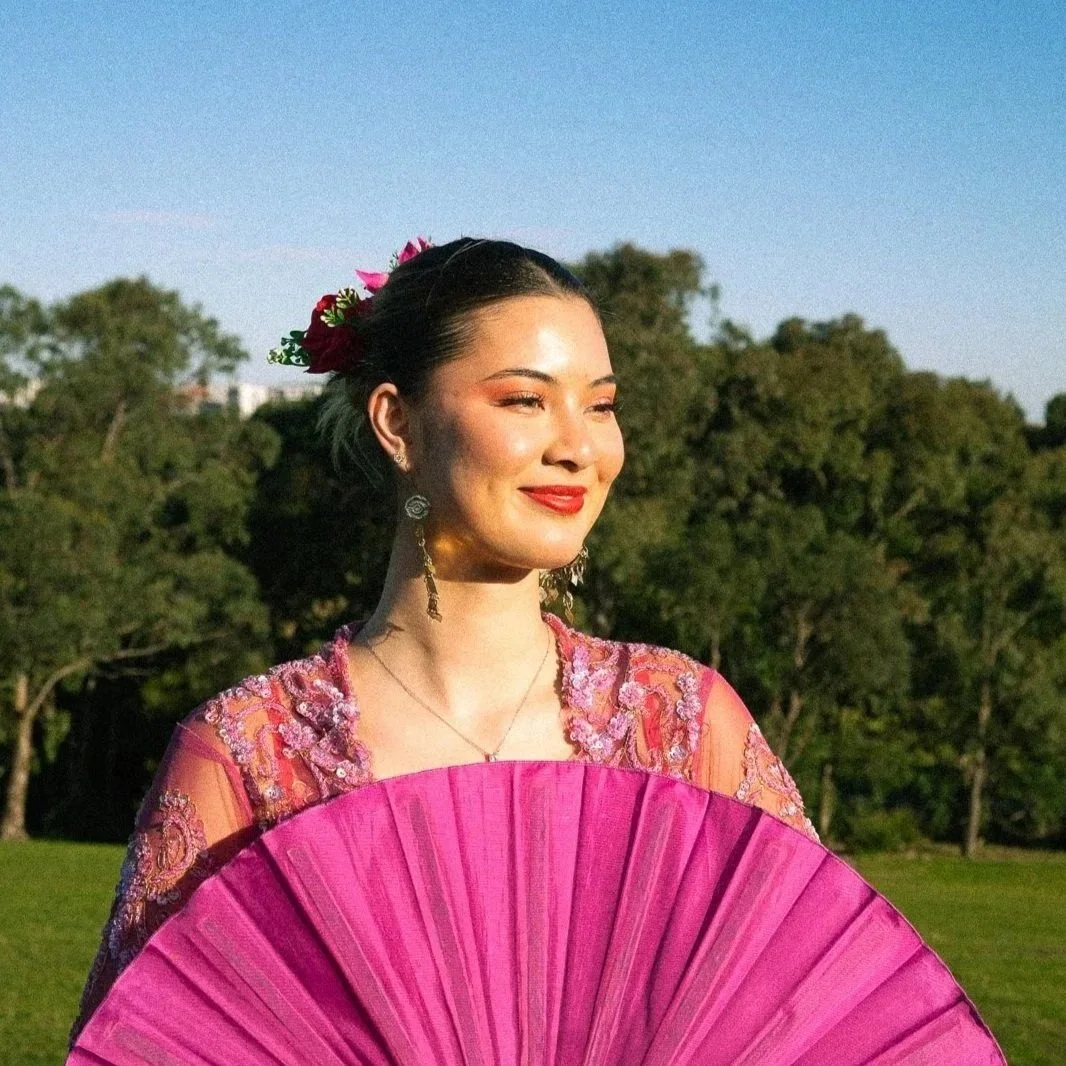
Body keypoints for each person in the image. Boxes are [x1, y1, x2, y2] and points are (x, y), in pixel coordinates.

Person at [69, 236, 819, 1045]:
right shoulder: (253, 754)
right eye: (525, 401)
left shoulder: (682, 724)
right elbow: (147, 1040)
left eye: (600, 404)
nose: (578, 446)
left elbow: (814, 1012)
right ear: (397, 422)